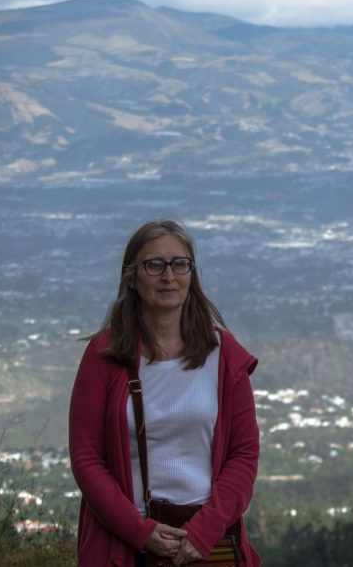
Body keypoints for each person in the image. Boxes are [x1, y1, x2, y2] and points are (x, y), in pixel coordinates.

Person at [69, 220, 261, 566]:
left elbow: (244, 455)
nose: (168, 276)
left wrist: (203, 532)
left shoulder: (224, 355)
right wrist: (139, 531)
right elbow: (87, 458)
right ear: (132, 277)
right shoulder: (104, 356)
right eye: (154, 265)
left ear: (191, 273)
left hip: (209, 542)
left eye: (179, 264)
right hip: (128, 543)